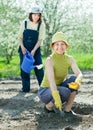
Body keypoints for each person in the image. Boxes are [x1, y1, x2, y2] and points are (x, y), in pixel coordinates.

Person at [38, 32, 83, 116]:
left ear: (66, 46)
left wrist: (78, 81)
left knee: (73, 79)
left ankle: (67, 110)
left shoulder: (69, 58)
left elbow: (79, 73)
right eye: (57, 44)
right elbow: (51, 81)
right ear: (53, 46)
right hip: (45, 91)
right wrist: (56, 96)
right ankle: (48, 107)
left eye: (62, 44)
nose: (60, 47)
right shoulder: (49, 60)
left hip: (59, 87)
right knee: (65, 92)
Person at [18, 6, 46, 92]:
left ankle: (43, 88)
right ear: (31, 14)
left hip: (36, 50)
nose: (36, 17)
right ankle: (25, 89)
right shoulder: (25, 23)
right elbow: (20, 37)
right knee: (24, 69)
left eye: (38, 15)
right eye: (34, 15)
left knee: (39, 69)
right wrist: (23, 48)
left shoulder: (41, 25)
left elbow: (40, 40)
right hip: (24, 50)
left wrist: (33, 50)